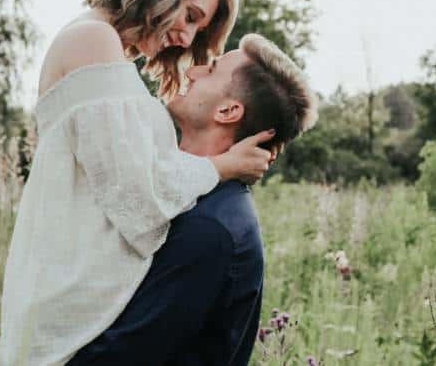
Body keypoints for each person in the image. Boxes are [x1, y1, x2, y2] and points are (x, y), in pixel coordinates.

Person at [0, 0, 283, 366]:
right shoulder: (92, 40)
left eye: (196, 28)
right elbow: (137, 199)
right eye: (189, 15)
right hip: (71, 315)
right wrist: (223, 166)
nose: (186, 39)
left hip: (83, 307)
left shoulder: (104, 48)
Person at [69, 33, 318, 365]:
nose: (191, 72)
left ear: (228, 110)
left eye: (211, 70)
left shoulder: (210, 227)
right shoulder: (185, 193)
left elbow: (125, 355)